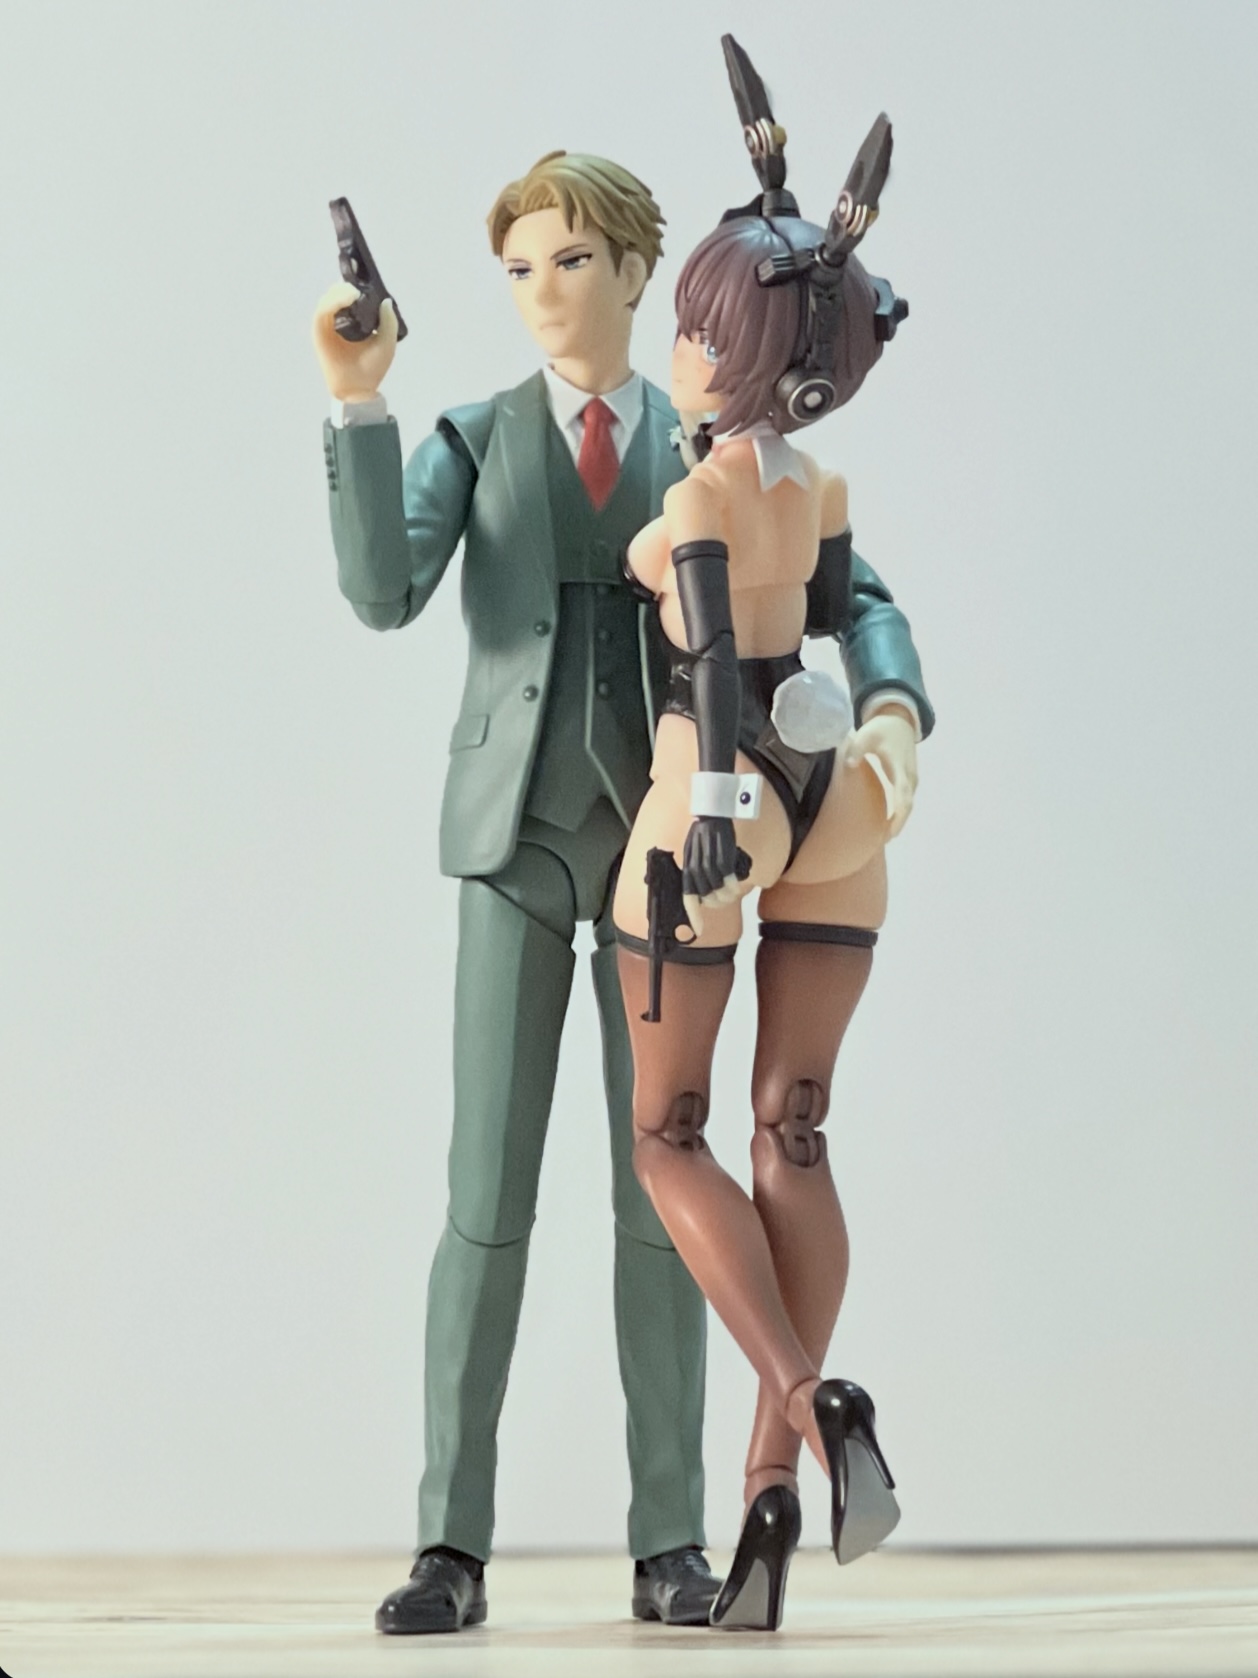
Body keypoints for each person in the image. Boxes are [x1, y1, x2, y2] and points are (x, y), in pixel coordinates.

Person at [312, 151, 719, 1633]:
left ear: (633, 269)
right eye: (519, 269)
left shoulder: (700, 436)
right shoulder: (475, 437)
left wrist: (887, 702)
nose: (543, 291)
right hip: (512, 843)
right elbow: (381, 592)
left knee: (661, 1184)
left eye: (571, 260)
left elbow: (826, 576)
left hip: (658, 853)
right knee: (484, 1194)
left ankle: (670, 1537)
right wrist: (358, 404)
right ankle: (449, 1543)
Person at [612, 39, 933, 1632]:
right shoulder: (823, 488)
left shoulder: (692, 507)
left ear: (739, 351)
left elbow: (708, 659)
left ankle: (806, 1395)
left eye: (694, 324)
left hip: (716, 797)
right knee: (791, 1127)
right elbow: (825, 620)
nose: (677, 344)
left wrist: (714, 813)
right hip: (839, 801)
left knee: (669, 1133)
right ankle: (766, 1499)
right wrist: (889, 724)